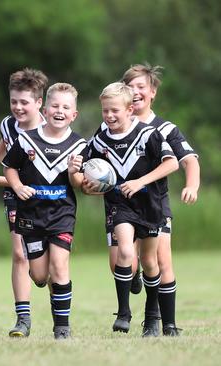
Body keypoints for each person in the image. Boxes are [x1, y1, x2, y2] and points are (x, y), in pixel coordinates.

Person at [84, 82, 178, 334]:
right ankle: (124, 312)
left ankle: (151, 317)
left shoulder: (149, 134)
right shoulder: (99, 141)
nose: (109, 116)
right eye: (105, 111)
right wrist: (85, 182)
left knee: (149, 262)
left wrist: (141, 182)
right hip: (119, 205)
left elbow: (172, 164)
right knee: (125, 250)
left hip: (150, 205)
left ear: (130, 110)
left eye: (114, 110)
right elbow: (84, 172)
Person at [3, 83, 87, 339]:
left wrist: (75, 172)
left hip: (62, 214)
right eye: (55, 106)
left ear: (74, 114)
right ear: (45, 109)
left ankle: (62, 327)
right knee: (40, 276)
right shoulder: (27, 139)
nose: (59, 111)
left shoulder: (79, 145)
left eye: (66, 107)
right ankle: (42, 289)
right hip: (31, 215)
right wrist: (17, 187)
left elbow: (79, 184)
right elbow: (9, 167)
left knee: (60, 266)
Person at [121, 63, 199, 336]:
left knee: (161, 260)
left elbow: (188, 160)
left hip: (155, 204)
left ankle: (165, 323)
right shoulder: (115, 125)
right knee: (124, 263)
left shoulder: (165, 128)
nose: (136, 92)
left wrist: (192, 185)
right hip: (122, 207)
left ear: (152, 92)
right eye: (130, 87)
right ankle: (134, 277)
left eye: (141, 87)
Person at [0, 68, 48, 337]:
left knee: (45, 271)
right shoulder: (7, 125)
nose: (17, 107)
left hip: (51, 201)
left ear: (39, 103)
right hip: (16, 197)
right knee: (19, 253)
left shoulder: (53, 124)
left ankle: (60, 316)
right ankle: (22, 319)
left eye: (24, 102)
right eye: (14, 101)